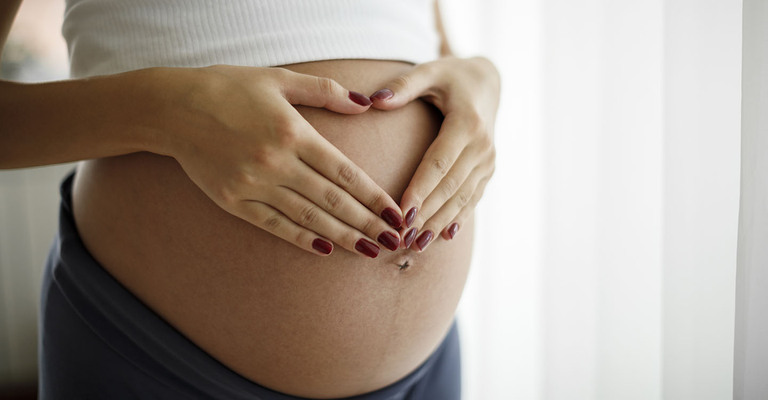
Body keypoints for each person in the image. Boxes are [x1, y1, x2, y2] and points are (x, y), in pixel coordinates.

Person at [0, 0, 499, 398]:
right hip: (159, 357)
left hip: (425, 367)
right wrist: (169, 112)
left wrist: (480, 79)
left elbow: (425, 38)